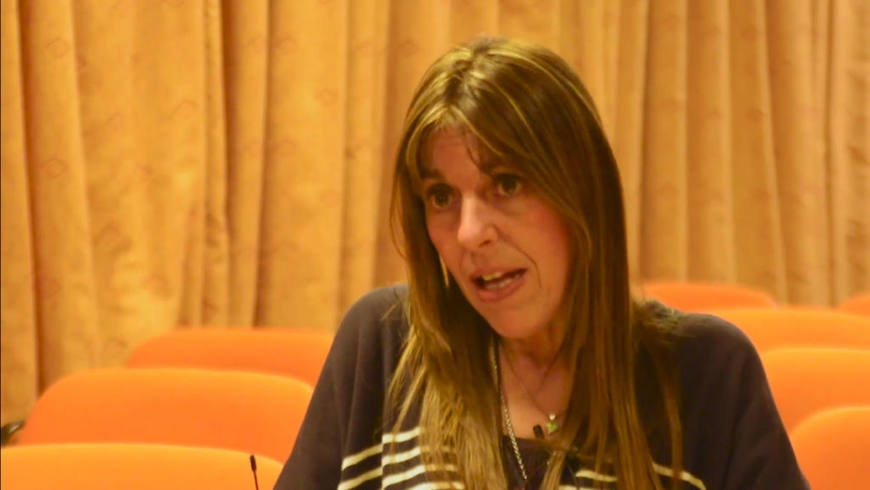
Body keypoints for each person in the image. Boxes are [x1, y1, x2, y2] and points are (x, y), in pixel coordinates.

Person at [275, 37, 808, 490]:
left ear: (583, 193)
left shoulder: (707, 375)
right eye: (441, 197)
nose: (469, 233)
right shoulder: (384, 344)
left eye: (506, 185)